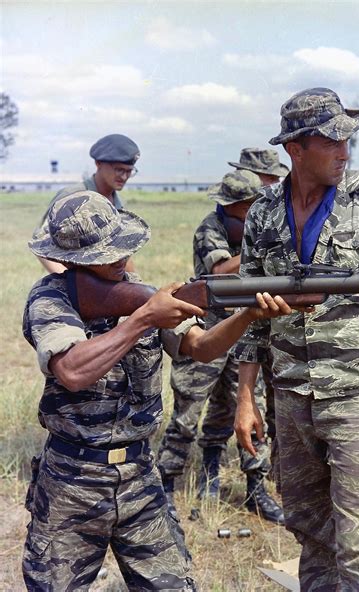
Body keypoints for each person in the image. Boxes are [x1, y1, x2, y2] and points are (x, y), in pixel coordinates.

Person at [22, 190, 291, 591]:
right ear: (75, 259)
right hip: (71, 482)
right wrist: (143, 319)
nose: (119, 258)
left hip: (140, 476)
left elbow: (201, 347)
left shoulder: (142, 294)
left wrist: (248, 313)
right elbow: (73, 370)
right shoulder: (50, 300)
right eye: (104, 253)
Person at [234, 88, 359, 592]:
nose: (345, 152)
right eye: (332, 142)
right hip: (290, 399)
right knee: (310, 534)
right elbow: (250, 317)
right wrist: (245, 399)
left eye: (349, 141)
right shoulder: (261, 213)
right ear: (295, 149)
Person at [157, 167, 285, 524]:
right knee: (187, 414)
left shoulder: (256, 226)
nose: (254, 215)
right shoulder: (209, 229)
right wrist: (257, 247)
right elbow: (223, 267)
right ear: (232, 208)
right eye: (248, 210)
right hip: (206, 331)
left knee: (249, 407)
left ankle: (256, 487)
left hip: (245, 330)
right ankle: (165, 483)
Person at [36, 133, 140, 274]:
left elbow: (122, 253)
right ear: (98, 163)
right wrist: (71, 282)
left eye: (129, 171)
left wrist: (133, 285)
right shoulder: (72, 197)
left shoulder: (116, 202)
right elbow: (41, 244)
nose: (124, 177)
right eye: (119, 170)